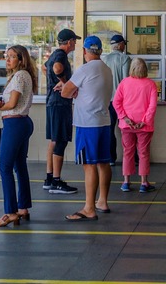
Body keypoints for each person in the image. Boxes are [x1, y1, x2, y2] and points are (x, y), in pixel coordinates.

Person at [59, 36, 113, 221]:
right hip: (104, 121)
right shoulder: (106, 70)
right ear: (101, 51)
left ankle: (89, 208)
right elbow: (92, 92)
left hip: (87, 123)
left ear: (85, 51)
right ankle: (102, 201)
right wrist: (77, 91)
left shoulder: (85, 69)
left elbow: (66, 92)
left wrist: (68, 88)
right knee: (103, 163)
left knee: (88, 164)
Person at [0, 45, 37, 227]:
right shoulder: (24, 76)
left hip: (14, 123)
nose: (7, 60)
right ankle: (23, 207)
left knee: (5, 167)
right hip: (22, 122)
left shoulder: (19, 76)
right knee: (19, 166)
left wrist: (0, 106)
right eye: (6, 56)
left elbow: (13, 103)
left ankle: (10, 212)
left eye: (12, 57)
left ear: (21, 59)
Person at [42, 28, 81, 194]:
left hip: (52, 102)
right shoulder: (60, 56)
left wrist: (54, 82)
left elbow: (45, 68)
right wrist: (65, 83)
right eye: (75, 41)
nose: (76, 44)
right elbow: (57, 68)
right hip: (59, 103)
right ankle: (57, 181)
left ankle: (49, 177)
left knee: (53, 140)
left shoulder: (52, 55)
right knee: (61, 141)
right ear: (69, 42)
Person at [113, 58, 158, 193]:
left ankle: (126, 181)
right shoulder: (151, 84)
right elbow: (152, 106)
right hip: (144, 126)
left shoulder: (124, 83)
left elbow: (116, 102)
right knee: (143, 153)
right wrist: (145, 120)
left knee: (128, 152)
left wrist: (124, 118)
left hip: (127, 125)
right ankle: (144, 182)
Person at [103, 34, 131, 166]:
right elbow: (126, 80)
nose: (124, 46)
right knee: (128, 130)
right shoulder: (125, 59)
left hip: (107, 100)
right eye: (124, 44)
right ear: (120, 45)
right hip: (122, 101)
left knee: (110, 130)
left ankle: (110, 158)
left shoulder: (104, 59)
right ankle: (132, 158)